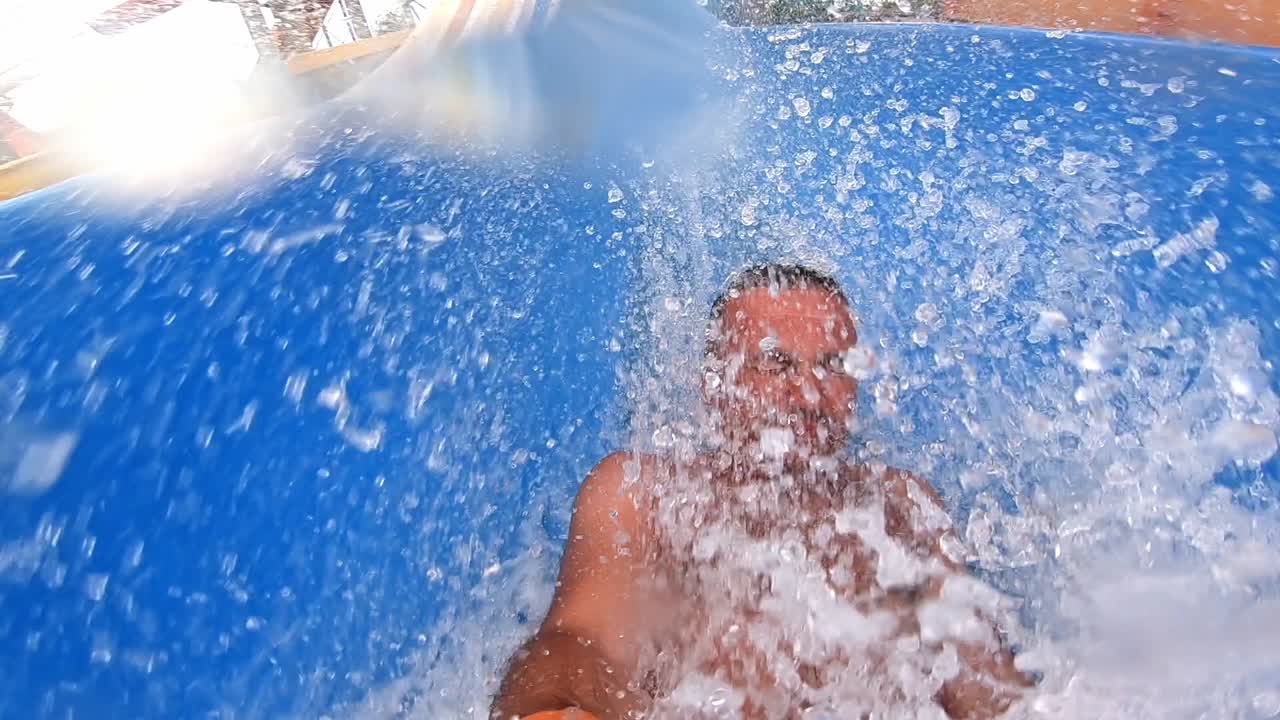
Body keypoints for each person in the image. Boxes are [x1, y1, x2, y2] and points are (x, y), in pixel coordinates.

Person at [491, 264, 1030, 720]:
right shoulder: (644, 495)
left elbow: (983, 682)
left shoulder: (897, 508)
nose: (810, 392)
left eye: (833, 366)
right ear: (714, 381)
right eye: (776, 363)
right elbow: (575, 642)